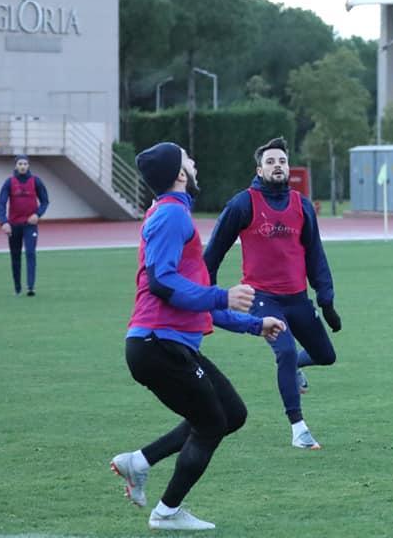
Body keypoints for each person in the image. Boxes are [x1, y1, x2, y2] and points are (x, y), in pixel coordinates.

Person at [110, 141, 286, 531]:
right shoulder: (172, 215)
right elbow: (162, 283)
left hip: (168, 344)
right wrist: (223, 295)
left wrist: (254, 324)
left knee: (231, 414)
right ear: (179, 173)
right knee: (210, 423)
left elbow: (195, 299)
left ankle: (139, 462)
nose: (195, 163)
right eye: (188, 159)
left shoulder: (171, 212)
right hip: (157, 344)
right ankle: (167, 512)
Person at [204, 136, 340, 450]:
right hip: (263, 298)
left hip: (297, 298)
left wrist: (326, 301)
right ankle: (299, 429)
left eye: (282, 161)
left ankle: (294, 369)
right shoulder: (243, 204)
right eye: (270, 162)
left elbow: (315, 256)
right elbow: (213, 253)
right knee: (286, 351)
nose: (277, 166)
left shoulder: (302, 205)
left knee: (326, 356)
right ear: (259, 169)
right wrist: (208, 295)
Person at [0, 154, 49, 296]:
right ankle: (17, 288)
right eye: (20, 164)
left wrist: (37, 214)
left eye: (25, 164)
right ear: (16, 165)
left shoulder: (36, 181)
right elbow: (1, 203)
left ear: (28, 165)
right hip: (14, 225)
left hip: (30, 225)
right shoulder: (9, 182)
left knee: (30, 253)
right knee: (15, 256)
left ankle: (30, 287)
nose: (22, 166)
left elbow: (45, 201)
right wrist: (4, 222)